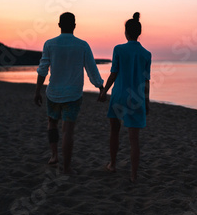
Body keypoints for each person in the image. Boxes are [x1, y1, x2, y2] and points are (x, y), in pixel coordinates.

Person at [34, 12, 104, 175]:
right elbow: (91, 69)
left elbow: (43, 69)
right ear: (74, 25)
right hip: (73, 95)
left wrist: (37, 91)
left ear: (59, 25)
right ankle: (66, 167)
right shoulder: (82, 45)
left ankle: (54, 155)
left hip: (53, 93)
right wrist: (100, 87)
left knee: (52, 123)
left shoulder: (49, 44)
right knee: (68, 131)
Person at [99, 12, 151, 183]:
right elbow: (146, 81)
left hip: (119, 95)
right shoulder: (146, 54)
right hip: (136, 99)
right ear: (139, 33)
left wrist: (104, 91)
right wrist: (147, 101)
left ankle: (113, 164)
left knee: (114, 131)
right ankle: (133, 175)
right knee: (134, 139)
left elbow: (113, 74)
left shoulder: (118, 49)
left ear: (126, 32)